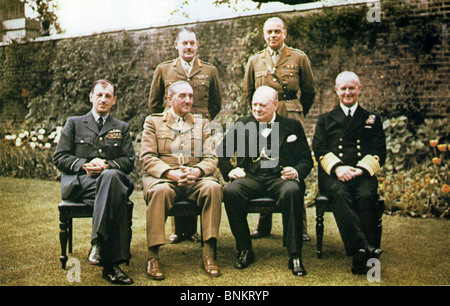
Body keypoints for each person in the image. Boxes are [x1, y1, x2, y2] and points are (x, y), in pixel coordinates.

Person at [217, 86, 313, 276]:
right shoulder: (242, 124)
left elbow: (306, 160)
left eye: (262, 105)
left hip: (280, 178)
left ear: (275, 105)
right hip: (250, 177)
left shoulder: (292, 126)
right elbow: (222, 154)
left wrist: (295, 170)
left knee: (292, 191)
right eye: (254, 104)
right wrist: (231, 170)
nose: (257, 109)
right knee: (231, 192)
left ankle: (295, 255)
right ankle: (244, 249)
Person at [54, 79, 135, 285]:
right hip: (82, 185)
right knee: (113, 192)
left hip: (109, 181)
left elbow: (128, 161)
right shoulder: (74, 123)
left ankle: (98, 244)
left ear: (114, 100)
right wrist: (84, 164)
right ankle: (111, 266)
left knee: (110, 179)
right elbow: (60, 157)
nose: (103, 99)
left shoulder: (122, 127)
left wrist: (106, 165)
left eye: (108, 96)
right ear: (91, 97)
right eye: (99, 95)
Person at [140, 81, 223, 280]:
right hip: (165, 179)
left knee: (213, 187)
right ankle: (153, 256)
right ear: (170, 99)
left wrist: (197, 171)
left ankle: (209, 254)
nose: (188, 100)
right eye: (183, 96)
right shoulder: (154, 122)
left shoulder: (201, 122)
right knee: (160, 192)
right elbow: (147, 157)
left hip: (195, 179)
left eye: (191, 96)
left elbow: (211, 158)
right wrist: (170, 173)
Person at [244, 17, 316, 241]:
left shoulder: (298, 57)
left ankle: (299, 226)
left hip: (290, 113)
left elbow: (309, 90)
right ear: (263, 35)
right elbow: (249, 92)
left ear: (285, 33)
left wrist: (296, 111)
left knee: (293, 167)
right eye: (269, 32)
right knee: (265, 164)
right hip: (265, 117)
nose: (273, 35)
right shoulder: (255, 61)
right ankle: (264, 224)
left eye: (277, 31)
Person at [148, 28, 223, 244]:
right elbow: (154, 102)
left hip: (199, 130)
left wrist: (202, 122)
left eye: (192, 43)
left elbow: (216, 102)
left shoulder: (209, 71)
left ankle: (192, 231)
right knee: (176, 167)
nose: (188, 47)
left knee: (196, 172)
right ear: (176, 46)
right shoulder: (164, 69)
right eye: (184, 44)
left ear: (197, 46)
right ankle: (178, 231)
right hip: (172, 128)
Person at [312, 71, 386, 274]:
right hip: (334, 175)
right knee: (341, 194)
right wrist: (338, 168)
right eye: (343, 88)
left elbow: (379, 151)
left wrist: (360, 169)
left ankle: (363, 256)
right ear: (336, 91)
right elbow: (319, 148)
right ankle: (364, 248)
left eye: (351, 88)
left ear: (359, 89)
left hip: (361, 174)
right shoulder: (325, 119)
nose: (347, 92)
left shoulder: (372, 119)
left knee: (366, 195)